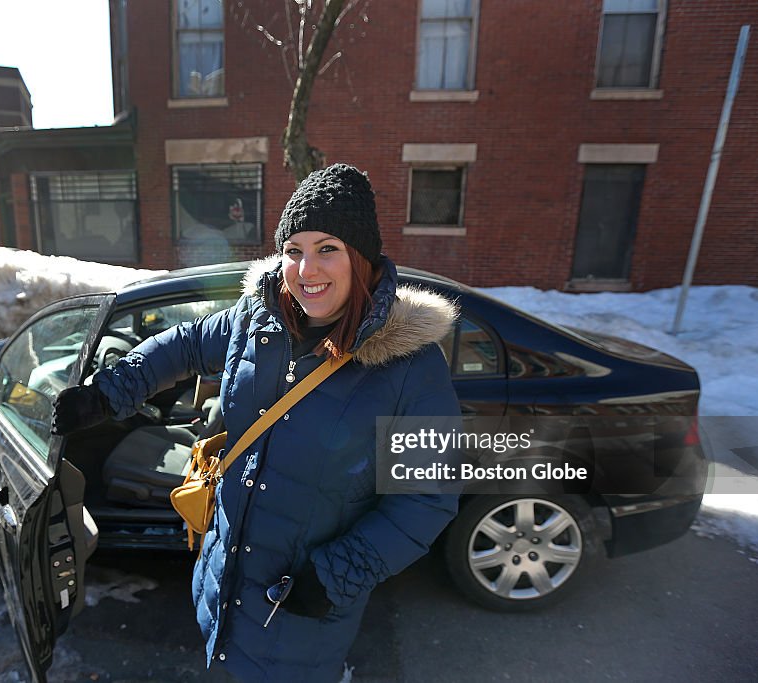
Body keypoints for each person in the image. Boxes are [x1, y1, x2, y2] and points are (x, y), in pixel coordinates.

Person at [52, 163, 461, 682]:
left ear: (362, 259)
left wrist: (339, 573)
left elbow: (426, 499)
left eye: (327, 248)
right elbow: (185, 344)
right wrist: (111, 392)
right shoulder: (258, 320)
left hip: (298, 611)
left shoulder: (411, 369)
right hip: (223, 587)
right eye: (294, 251)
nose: (306, 269)